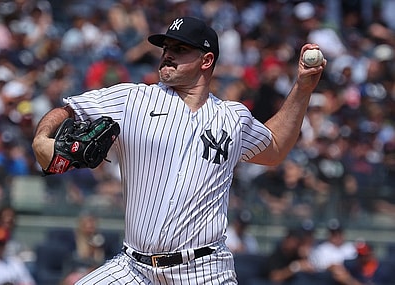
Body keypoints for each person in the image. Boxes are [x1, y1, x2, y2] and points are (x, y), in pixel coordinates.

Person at [32, 16, 326, 284]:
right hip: (134, 268)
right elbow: (68, 109)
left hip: (204, 271)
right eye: (166, 47)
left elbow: (274, 148)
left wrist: (302, 88)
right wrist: (41, 137)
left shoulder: (232, 118)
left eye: (180, 48)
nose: (168, 54)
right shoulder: (133, 100)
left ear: (206, 60)